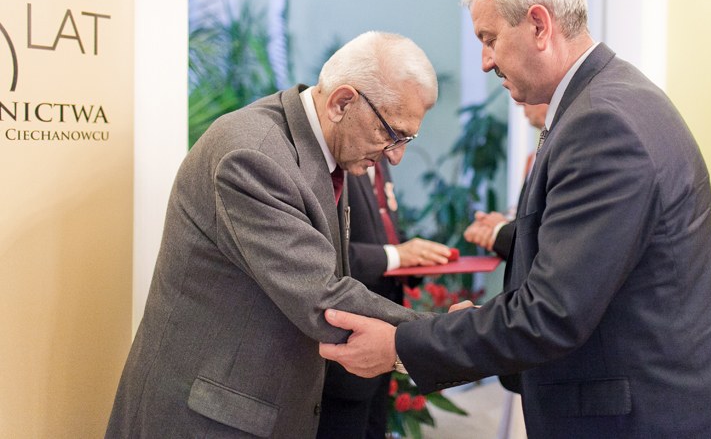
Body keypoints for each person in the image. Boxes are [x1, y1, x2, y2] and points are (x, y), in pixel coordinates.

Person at [319, 0, 711, 438]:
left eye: (489, 39)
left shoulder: (603, 125)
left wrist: (401, 345)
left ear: (540, 26)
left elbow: (552, 312)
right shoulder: (610, 99)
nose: (485, 62)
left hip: (649, 416)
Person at [105, 31, 440, 438]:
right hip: (205, 419)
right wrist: (444, 336)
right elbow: (321, 294)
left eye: (407, 139)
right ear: (342, 103)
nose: (396, 155)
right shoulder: (253, 156)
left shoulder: (328, 146)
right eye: (391, 133)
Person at [316, 158, 451, 439]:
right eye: (397, 138)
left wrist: (416, 260)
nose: (397, 156)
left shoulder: (380, 160)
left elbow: (386, 230)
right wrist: (396, 255)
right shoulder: (338, 161)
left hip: (384, 334)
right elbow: (328, 254)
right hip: (348, 334)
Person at [463, 102, 547, 260]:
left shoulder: (564, 154)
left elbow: (552, 237)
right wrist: (504, 226)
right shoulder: (532, 158)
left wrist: (499, 231)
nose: (519, 102)